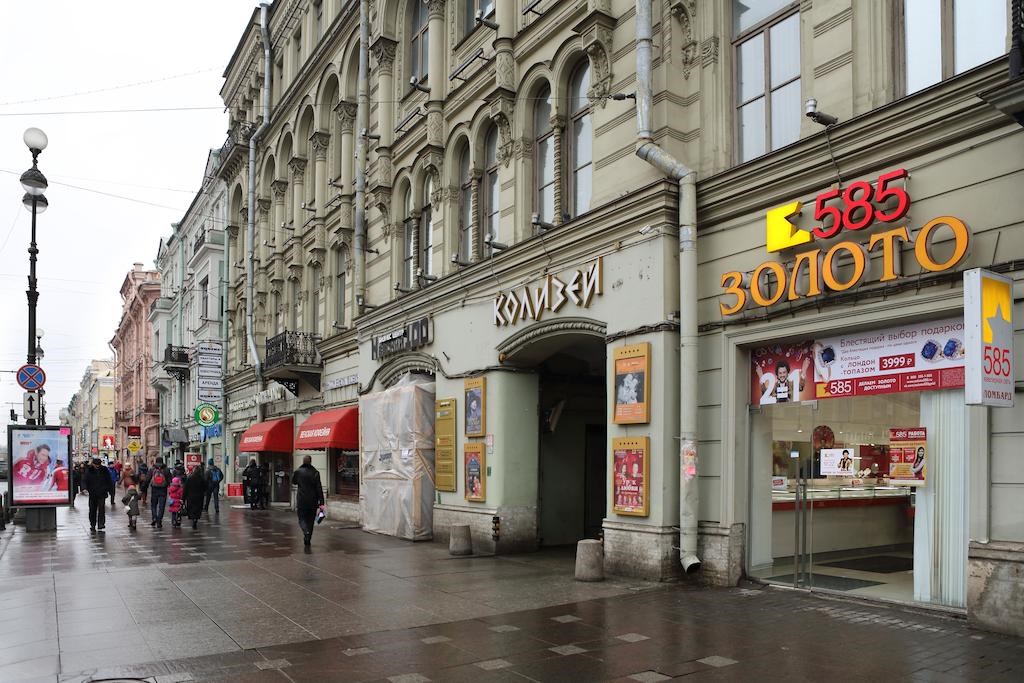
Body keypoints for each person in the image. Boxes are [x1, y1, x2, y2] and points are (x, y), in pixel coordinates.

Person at [291, 455, 325, 546]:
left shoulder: (298, 472)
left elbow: (293, 481)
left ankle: (305, 531)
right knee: (311, 520)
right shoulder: (315, 473)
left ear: (303, 461)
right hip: (313, 500)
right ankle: (308, 538)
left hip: (302, 500)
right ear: (311, 461)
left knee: (301, 518)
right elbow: (319, 489)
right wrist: (322, 503)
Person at [83, 458, 113, 532]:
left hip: (102, 492)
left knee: (101, 508)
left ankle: (101, 524)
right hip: (92, 493)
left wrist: (110, 490)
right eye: (96, 465)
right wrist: (84, 488)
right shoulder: (89, 470)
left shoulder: (104, 470)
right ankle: (92, 524)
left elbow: (109, 480)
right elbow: (84, 480)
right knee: (92, 509)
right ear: (93, 464)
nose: (97, 466)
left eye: (98, 464)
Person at [149, 457, 170, 528]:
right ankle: (159, 521)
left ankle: (154, 517)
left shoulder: (152, 469)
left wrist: (143, 487)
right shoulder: (166, 469)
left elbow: (147, 479)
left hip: (154, 489)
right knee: (161, 506)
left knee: (153, 505)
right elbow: (170, 479)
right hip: (163, 490)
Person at [183, 465, 206, 530]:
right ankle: (196, 519)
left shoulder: (189, 478)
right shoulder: (201, 478)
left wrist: (183, 498)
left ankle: (193, 519)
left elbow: (185, 488)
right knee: (198, 509)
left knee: (191, 509)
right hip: (199, 496)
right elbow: (205, 487)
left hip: (190, 497)